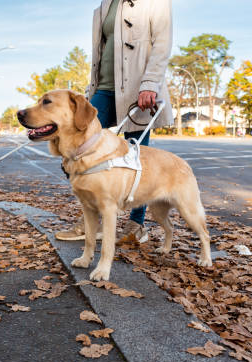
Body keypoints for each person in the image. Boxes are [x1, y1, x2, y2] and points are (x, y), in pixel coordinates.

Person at [55, 0, 174, 242]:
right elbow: (102, 51)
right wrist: (91, 91)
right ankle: (94, 221)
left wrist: (150, 83)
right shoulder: (106, 4)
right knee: (75, 147)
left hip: (138, 90)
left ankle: (135, 225)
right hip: (105, 90)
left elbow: (162, 45)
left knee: (137, 157)